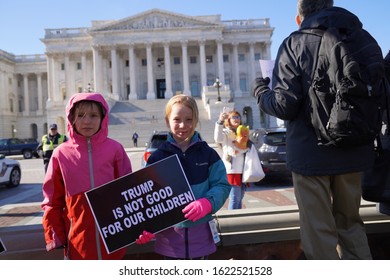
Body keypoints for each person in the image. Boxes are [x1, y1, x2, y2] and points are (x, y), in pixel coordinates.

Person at [252, 0, 382, 259]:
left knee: (318, 233)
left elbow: (284, 105)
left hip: (311, 155)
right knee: (351, 225)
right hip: (355, 151)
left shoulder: (295, 42)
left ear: (300, 18)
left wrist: (260, 91)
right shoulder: (364, 38)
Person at [136, 94, 231, 259]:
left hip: (201, 240)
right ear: (167, 121)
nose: (183, 125)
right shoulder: (157, 157)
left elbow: (222, 185)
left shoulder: (208, 154)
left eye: (189, 119)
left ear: (196, 120)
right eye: (177, 119)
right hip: (169, 243)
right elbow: (145, 198)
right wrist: (144, 227)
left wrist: (207, 203)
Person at [41, 92, 132, 260]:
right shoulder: (60, 154)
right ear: (72, 118)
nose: (87, 121)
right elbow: (52, 201)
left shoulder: (115, 150)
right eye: (81, 115)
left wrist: (135, 228)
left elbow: (129, 191)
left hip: (113, 241)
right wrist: (55, 235)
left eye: (93, 115)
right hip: (77, 243)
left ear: (103, 119)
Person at [214, 110, 250, 209]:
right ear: (228, 120)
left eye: (238, 117)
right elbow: (218, 138)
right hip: (232, 170)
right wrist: (220, 121)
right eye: (234, 117)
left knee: (240, 197)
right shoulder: (226, 132)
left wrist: (244, 149)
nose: (237, 119)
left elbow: (245, 148)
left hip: (243, 169)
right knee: (235, 198)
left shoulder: (243, 131)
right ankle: (233, 220)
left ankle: (239, 220)